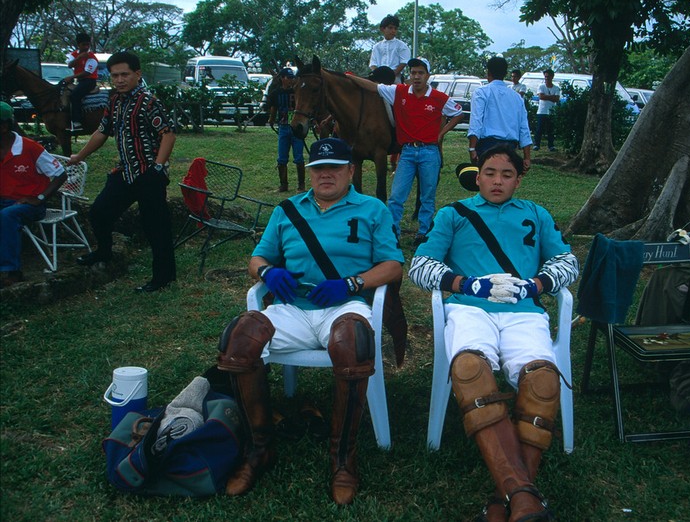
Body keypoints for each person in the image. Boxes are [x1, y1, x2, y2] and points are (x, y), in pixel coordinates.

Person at [217, 138, 403, 504]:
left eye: (335, 167)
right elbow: (257, 258)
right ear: (310, 173)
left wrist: (352, 283)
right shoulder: (287, 210)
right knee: (239, 339)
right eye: (319, 168)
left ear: (351, 171)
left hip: (344, 304)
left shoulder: (372, 209)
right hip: (293, 307)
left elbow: (393, 265)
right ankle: (259, 448)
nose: (326, 174)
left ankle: (343, 459)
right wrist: (268, 272)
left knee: (352, 342)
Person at [409, 145, 579, 522]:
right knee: (470, 369)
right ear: (478, 174)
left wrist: (537, 285)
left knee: (543, 383)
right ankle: (522, 496)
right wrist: (465, 284)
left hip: (523, 312)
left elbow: (568, 262)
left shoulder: (536, 213)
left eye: (506, 174)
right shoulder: (453, 214)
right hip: (471, 308)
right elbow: (419, 267)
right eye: (490, 172)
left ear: (518, 179)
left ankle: (507, 498)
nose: (497, 181)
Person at [69, 51, 177, 293]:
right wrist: (79, 156)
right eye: (115, 75)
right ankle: (104, 251)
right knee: (99, 212)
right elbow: (101, 132)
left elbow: (168, 134)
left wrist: (158, 167)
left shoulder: (149, 102)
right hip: (125, 172)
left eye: (124, 74)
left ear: (137, 74)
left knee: (155, 226)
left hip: (149, 172)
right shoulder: (114, 101)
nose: (119, 80)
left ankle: (163, 277)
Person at [347, 58, 463, 246]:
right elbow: (373, 87)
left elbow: (458, 113)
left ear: (427, 76)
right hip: (407, 152)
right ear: (409, 75)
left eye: (420, 73)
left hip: (429, 152)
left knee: (427, 196)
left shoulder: (439, 97)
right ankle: (393, 233)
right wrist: (350, 78)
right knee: (396, 196)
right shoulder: (398, 92)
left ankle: (423, 233)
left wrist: (441, 133)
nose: (416, 77)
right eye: (413, 73)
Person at [0, 101, 66, 286]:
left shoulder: (29, 148)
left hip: (28, 205)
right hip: (3, 199)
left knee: (6, 216)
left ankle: (12, 271)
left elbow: (60, 174)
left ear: (4, 127)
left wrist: (40, 198)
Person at [468, 57, 533, 171]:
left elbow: (476, 121)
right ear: (505, 73)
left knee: (487, 182)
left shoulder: (481, 92)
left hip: (487, 146)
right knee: (505, 183)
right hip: (510, 148)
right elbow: (524, 128)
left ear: (488, 72)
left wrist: (472, 148)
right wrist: (527, 157)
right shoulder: (516, 97)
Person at [266, 67, 305, 192]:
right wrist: (271, 120)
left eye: (292, 77)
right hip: (283, 127)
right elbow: (274, 108)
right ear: (282, 78)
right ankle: (283, 185)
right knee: (282, 157)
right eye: (288, 77)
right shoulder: (276, 94)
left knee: (299, 157)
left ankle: (301, 185)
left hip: (296, 128)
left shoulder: (297, 91)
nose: (290, 80)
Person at [64, 32, 99, 132]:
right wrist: (79, 58)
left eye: (88, 44)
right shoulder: (73, 55)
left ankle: (77, 122)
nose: (86, 47)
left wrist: (72, 77)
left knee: (75, 95)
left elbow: (87, 72)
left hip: (89, 81)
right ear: (78, 45)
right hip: (80, 81)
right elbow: (70, 65)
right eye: (84, 44)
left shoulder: (92, 58)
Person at [369, 14, 411, 84]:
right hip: (378, 80)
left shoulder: (401, 45)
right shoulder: (377, 46)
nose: (393, 31)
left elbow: (404, 62)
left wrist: (391, 75)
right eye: (390, 28)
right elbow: (373, 64)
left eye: (395, 28)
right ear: (382, 29)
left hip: (395, 79)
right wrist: (379, 76)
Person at [534, 69, 560, 152]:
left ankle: (551, 146)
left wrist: (547, 96)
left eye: (548, 77)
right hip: (541, 111)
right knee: (539, 129)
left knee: (550, 130)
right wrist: (551, 97)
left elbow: (557, 99)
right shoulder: (541, 86)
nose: (546, 78)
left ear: (552, 77)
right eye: (545, 77)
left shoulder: (556, 88)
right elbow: (541, 97)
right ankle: (536, 145)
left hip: (551, 112)